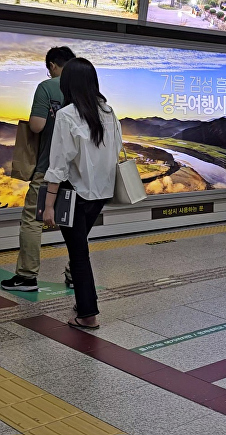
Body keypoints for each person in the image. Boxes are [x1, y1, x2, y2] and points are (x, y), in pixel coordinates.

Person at [40, 58, 122, 329]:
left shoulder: (67, 115)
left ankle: (88, 313)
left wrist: (49, 205)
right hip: (99, 195)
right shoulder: (108, 112)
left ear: (68, 84)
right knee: (79, 250)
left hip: (73, 195)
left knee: (78, 254)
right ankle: (83, 305)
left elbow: (59, 165)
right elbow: (116, 150)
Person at [1, 47, 76, 292]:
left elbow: (36, 126)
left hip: (49, 167)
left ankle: (26, 277)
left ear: (53, 65)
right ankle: (76, 274)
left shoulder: (48, 87)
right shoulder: (85, 90)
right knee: (74, 223)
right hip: (79, 173)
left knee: (33, 220)